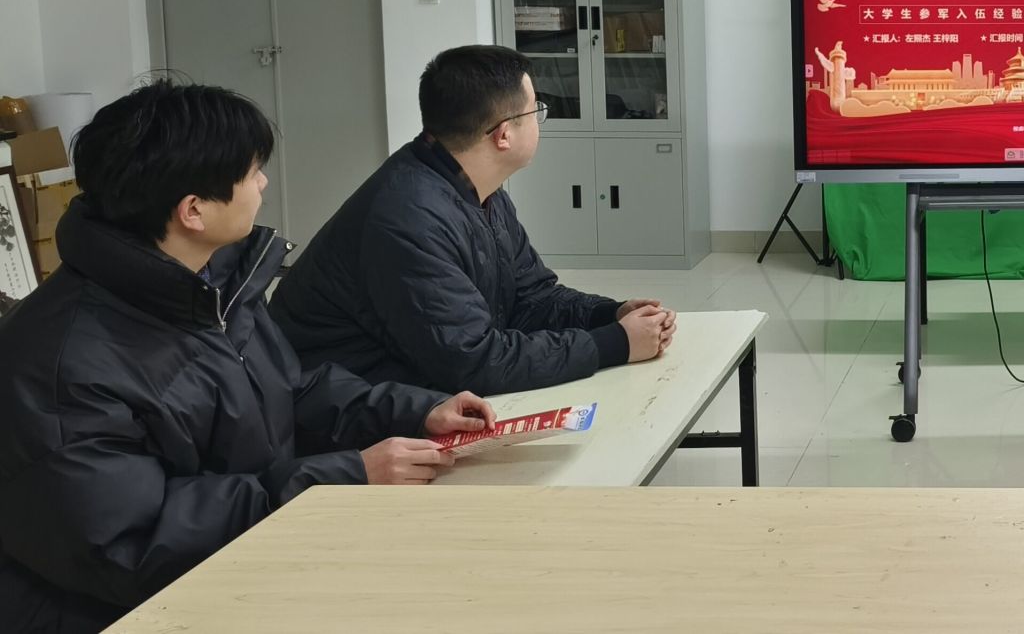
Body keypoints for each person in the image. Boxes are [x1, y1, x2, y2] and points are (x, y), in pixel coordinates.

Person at [0, 81, 491, 633]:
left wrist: (417, 411)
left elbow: (288, 391)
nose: (262, 183)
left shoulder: (208, 283)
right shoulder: (63, 366)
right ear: (193, 210)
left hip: (242, 569)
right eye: (252, 171)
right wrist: (345, 476)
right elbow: (134, 542)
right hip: (122, 613)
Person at [272, 45, 676, 397]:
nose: (540, 120)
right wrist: (614, 345)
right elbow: (474, 363)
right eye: (535, 110)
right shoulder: (408, 218)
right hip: (350, 406)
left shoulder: (476, 188)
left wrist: (610, 315)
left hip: (412, 385)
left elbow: (531, 297)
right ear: (503, 135)